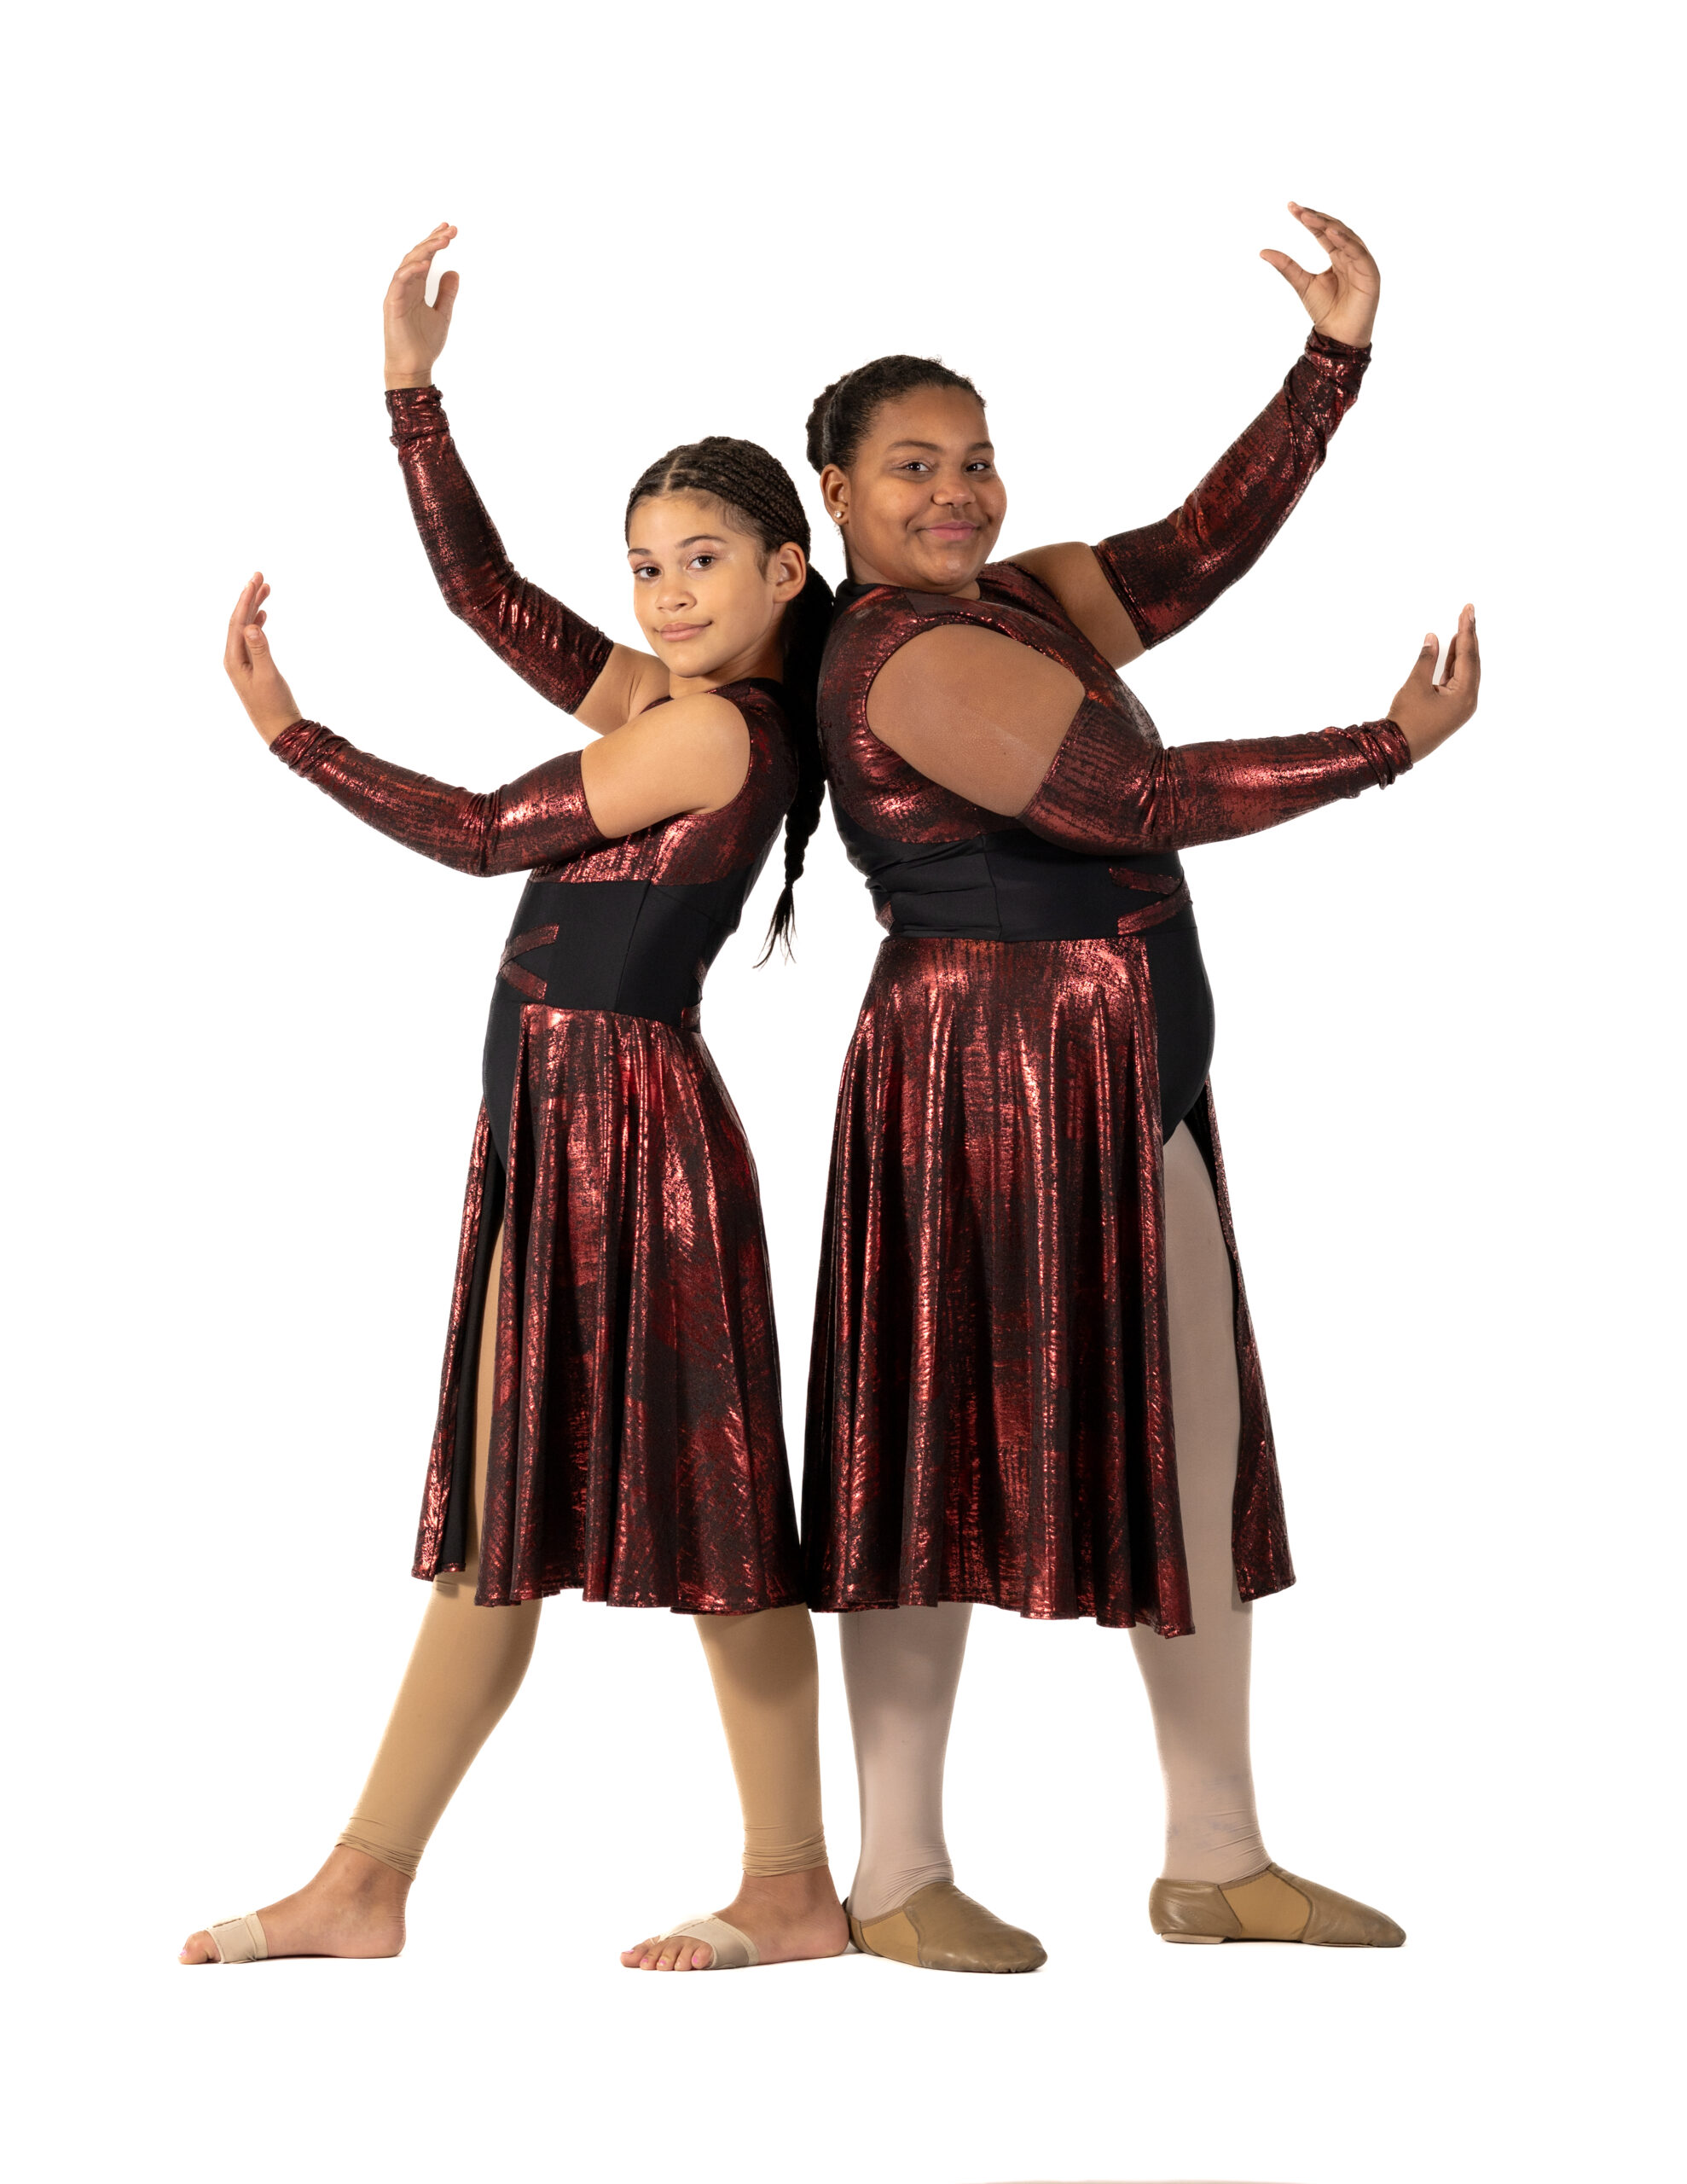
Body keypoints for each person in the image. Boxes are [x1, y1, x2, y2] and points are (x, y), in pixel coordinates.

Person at [801, 205, 1480, 1967]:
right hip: (986, 1074)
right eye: (912, 466)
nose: (956, 489)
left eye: (974, 456)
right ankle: (890, 1871)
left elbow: (1185, 556)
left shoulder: (1009, 598)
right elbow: (1136, 805)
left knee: (1188, 1437)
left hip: (1124, 1060)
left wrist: (1326, 370)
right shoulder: (898, 651)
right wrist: (1382, 747)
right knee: (922, 1452)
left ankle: (1215, 1853)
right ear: (837, 494)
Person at [182, 227, 844, 1974]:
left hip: (633, 1133)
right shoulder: (666, 697)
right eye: (644, 566)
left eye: (705, 558)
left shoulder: (712, 737)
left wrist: (291, 736)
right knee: (495, 1513)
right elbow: (491, 605)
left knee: (714, 1522)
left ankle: (791, 1882)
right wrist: (414, 400)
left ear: (787, 569)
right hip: (551, 1127)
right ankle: (362, 1881)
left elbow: (483, 832)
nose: (667, 594)